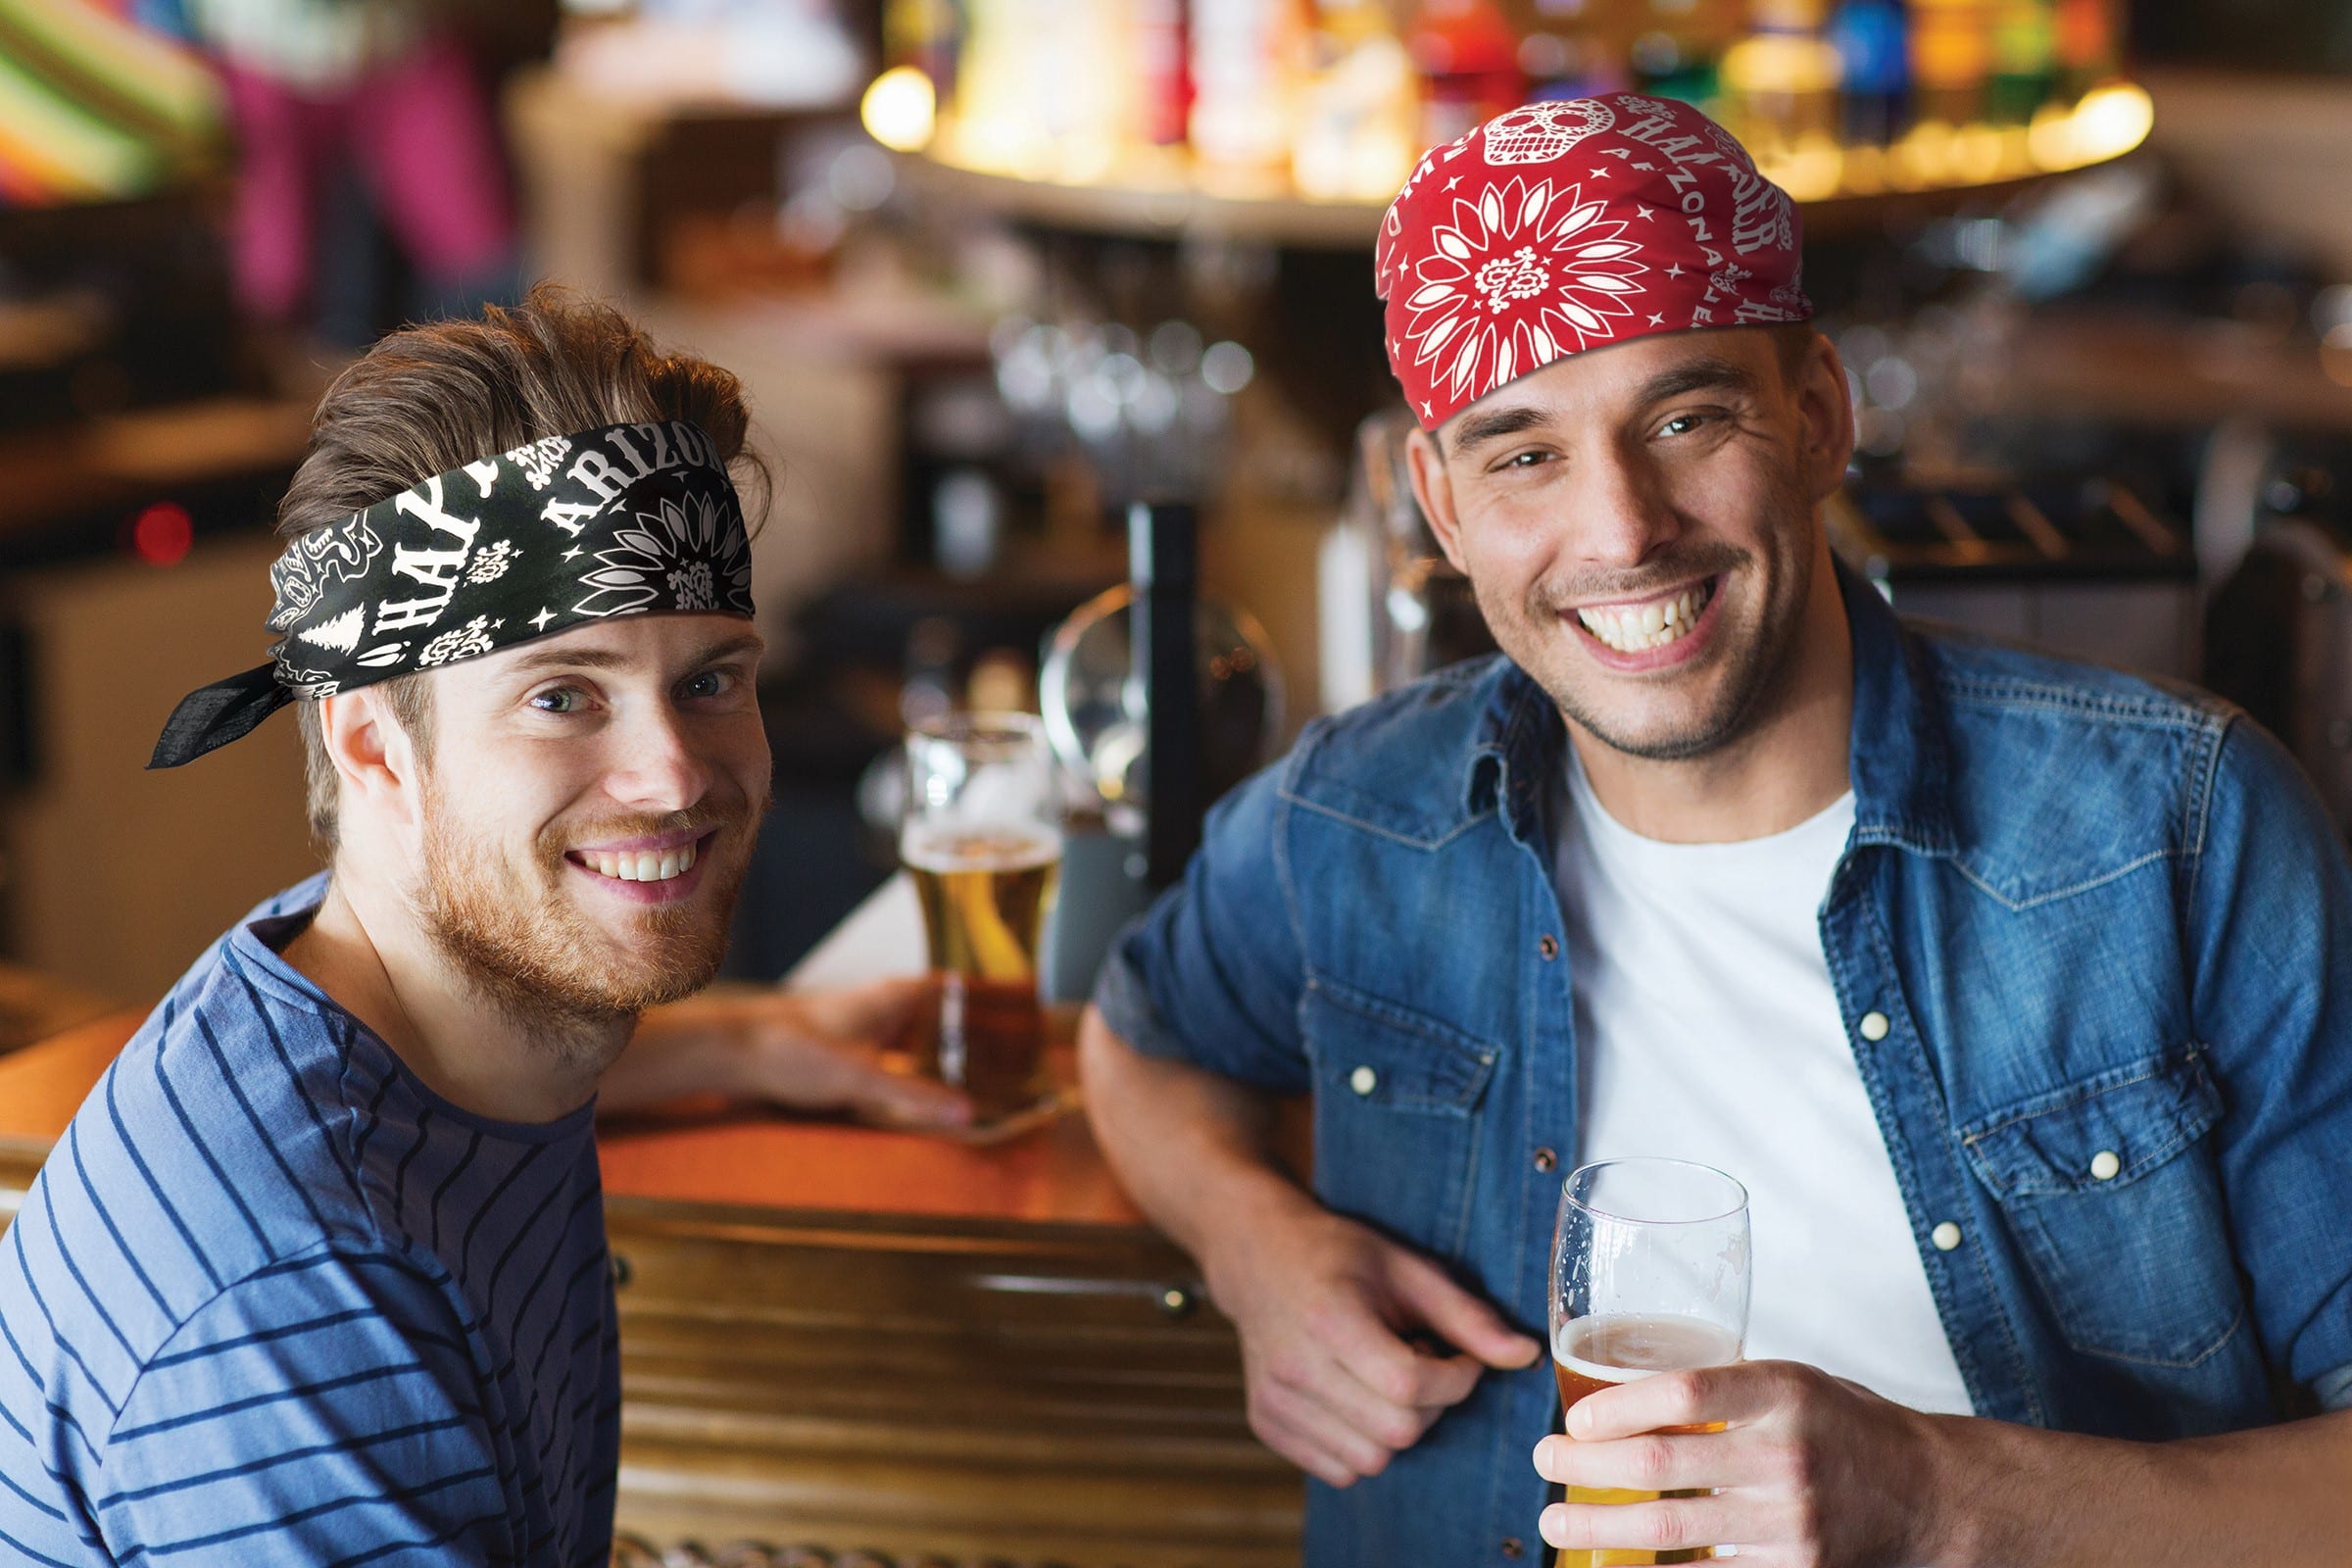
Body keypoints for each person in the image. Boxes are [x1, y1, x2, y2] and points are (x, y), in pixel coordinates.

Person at [1080, 91, 2352, 1567]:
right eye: (1522, 455)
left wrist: (1939, 1502)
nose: (1622, 530)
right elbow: (1141, 1039)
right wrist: (1256, 1246)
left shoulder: (2179, 830)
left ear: (1817, 416)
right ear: (1439, 503)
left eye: (1686, 419)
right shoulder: (1357, 818)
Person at [0, 290, 958, 1567]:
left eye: (710, 680)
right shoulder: (301, 1301)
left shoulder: (379, 998)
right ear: (373, 745)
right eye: (564, 696)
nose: (674, 773)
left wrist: (753, 1042)